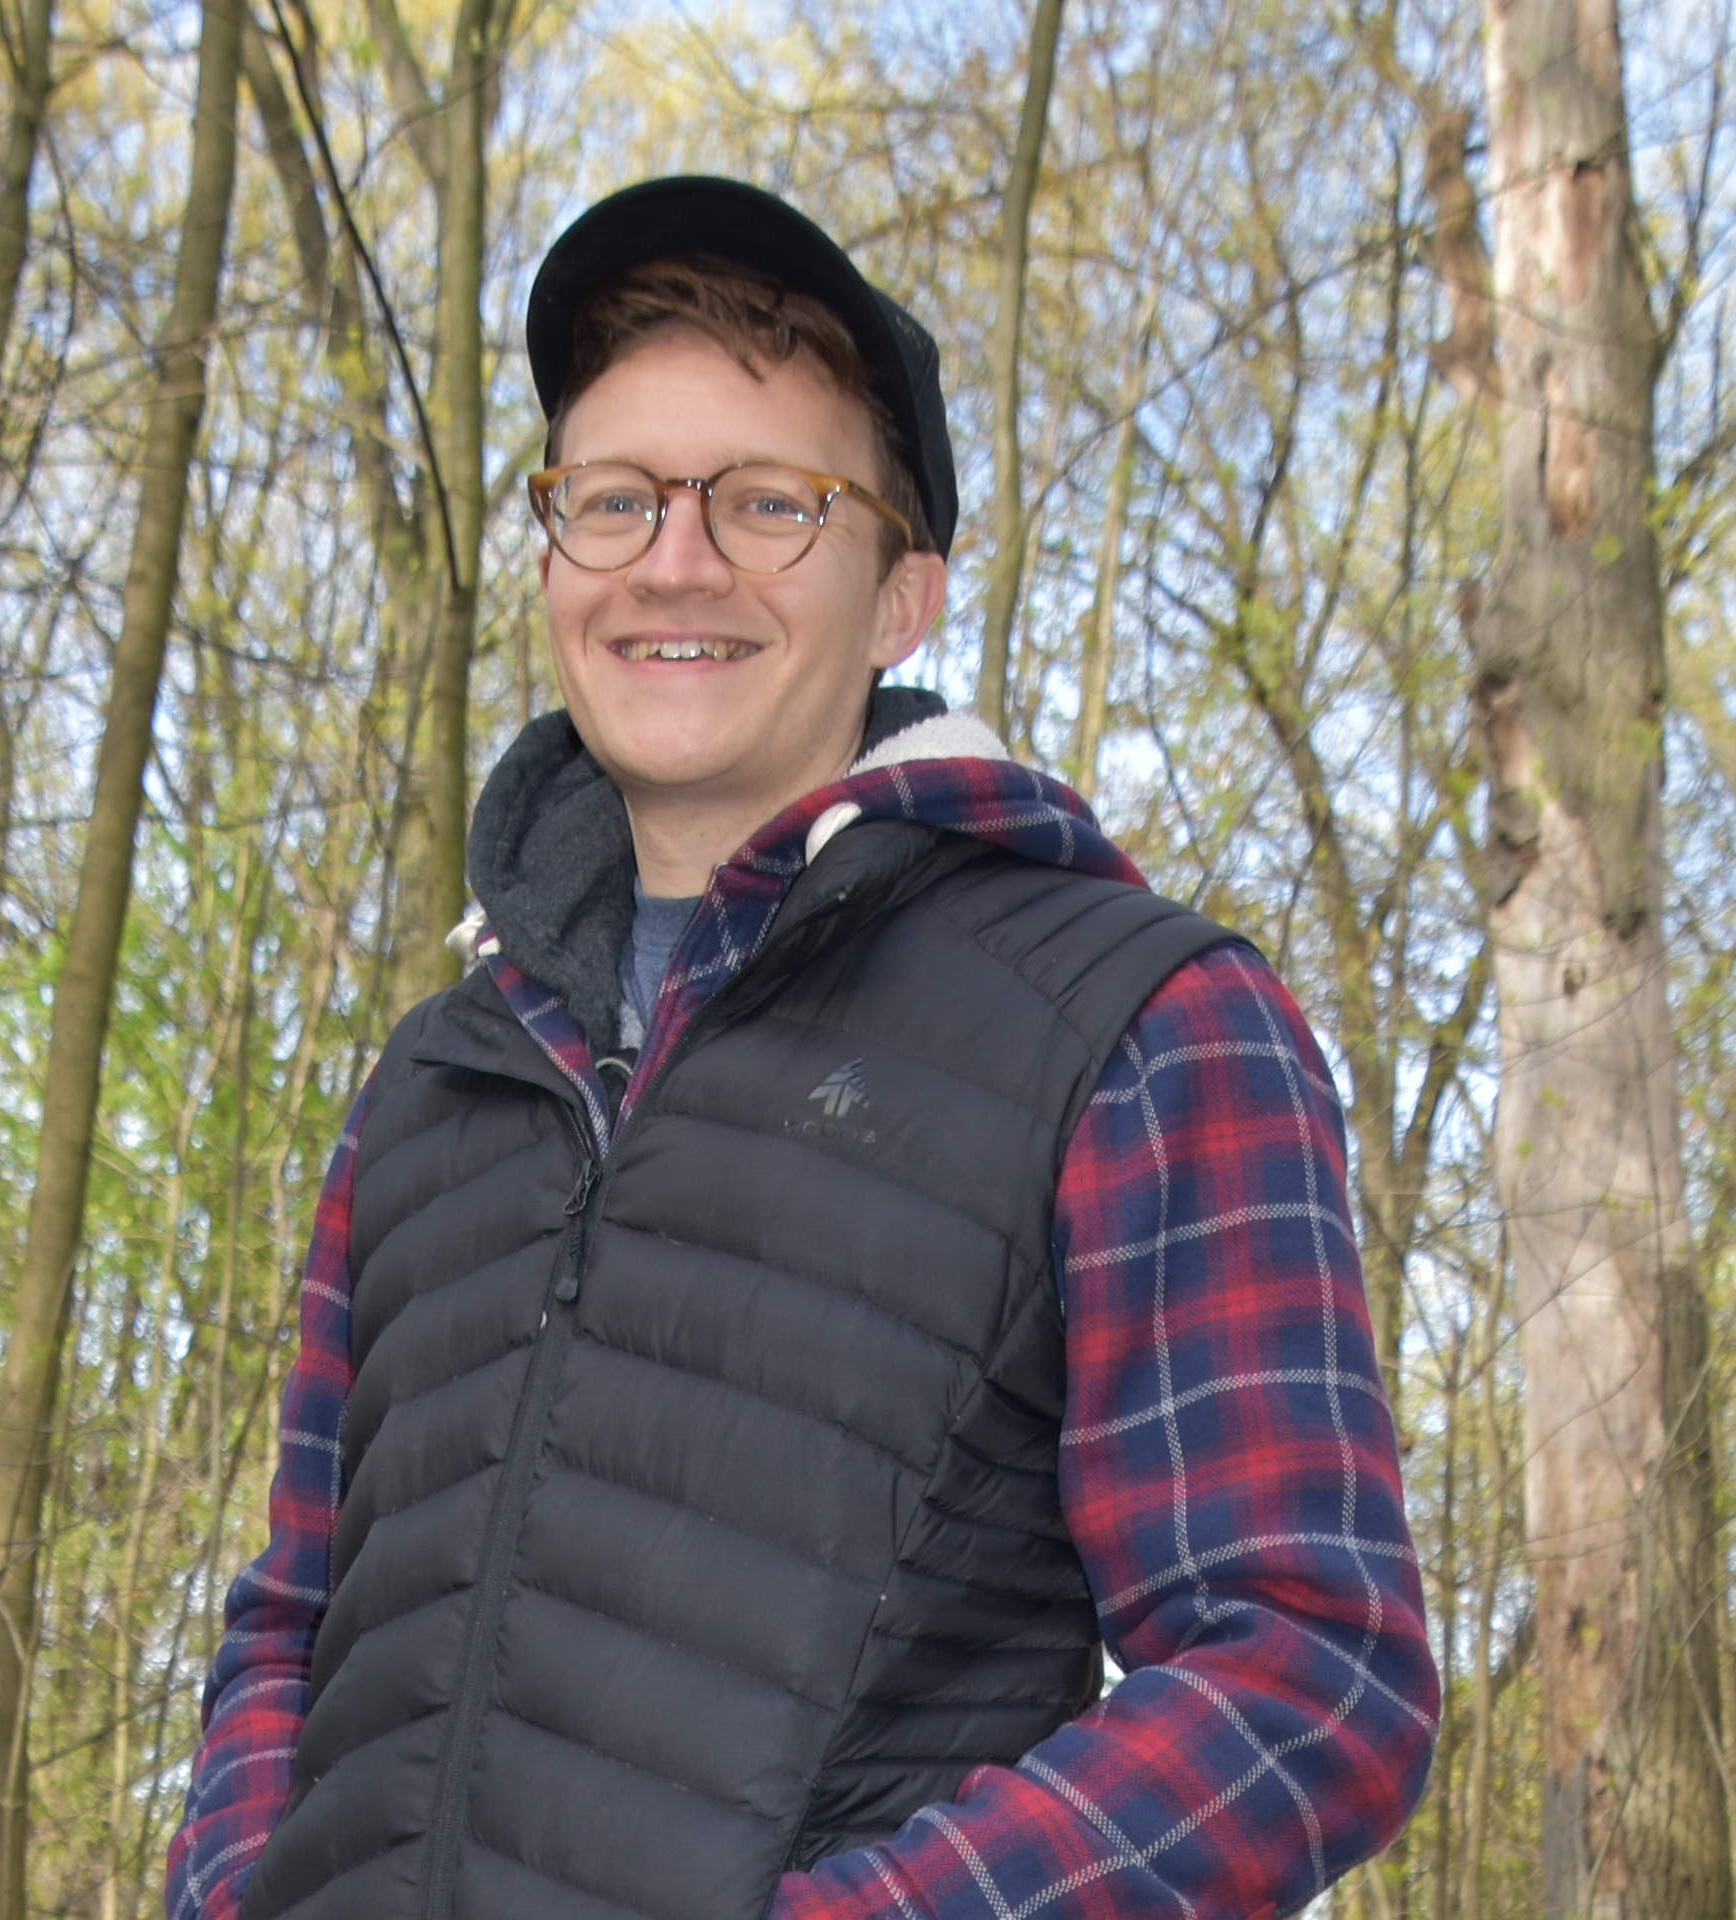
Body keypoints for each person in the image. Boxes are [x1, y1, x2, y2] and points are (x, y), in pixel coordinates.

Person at [167, 176, 1436, 1920]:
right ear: (553, 559)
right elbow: (295, 1615)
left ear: (903, 595)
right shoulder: (434, 1083)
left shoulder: (1138, 1024)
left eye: (769, 503)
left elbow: (1310, 1675)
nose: (674, 561)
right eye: (613, 501)